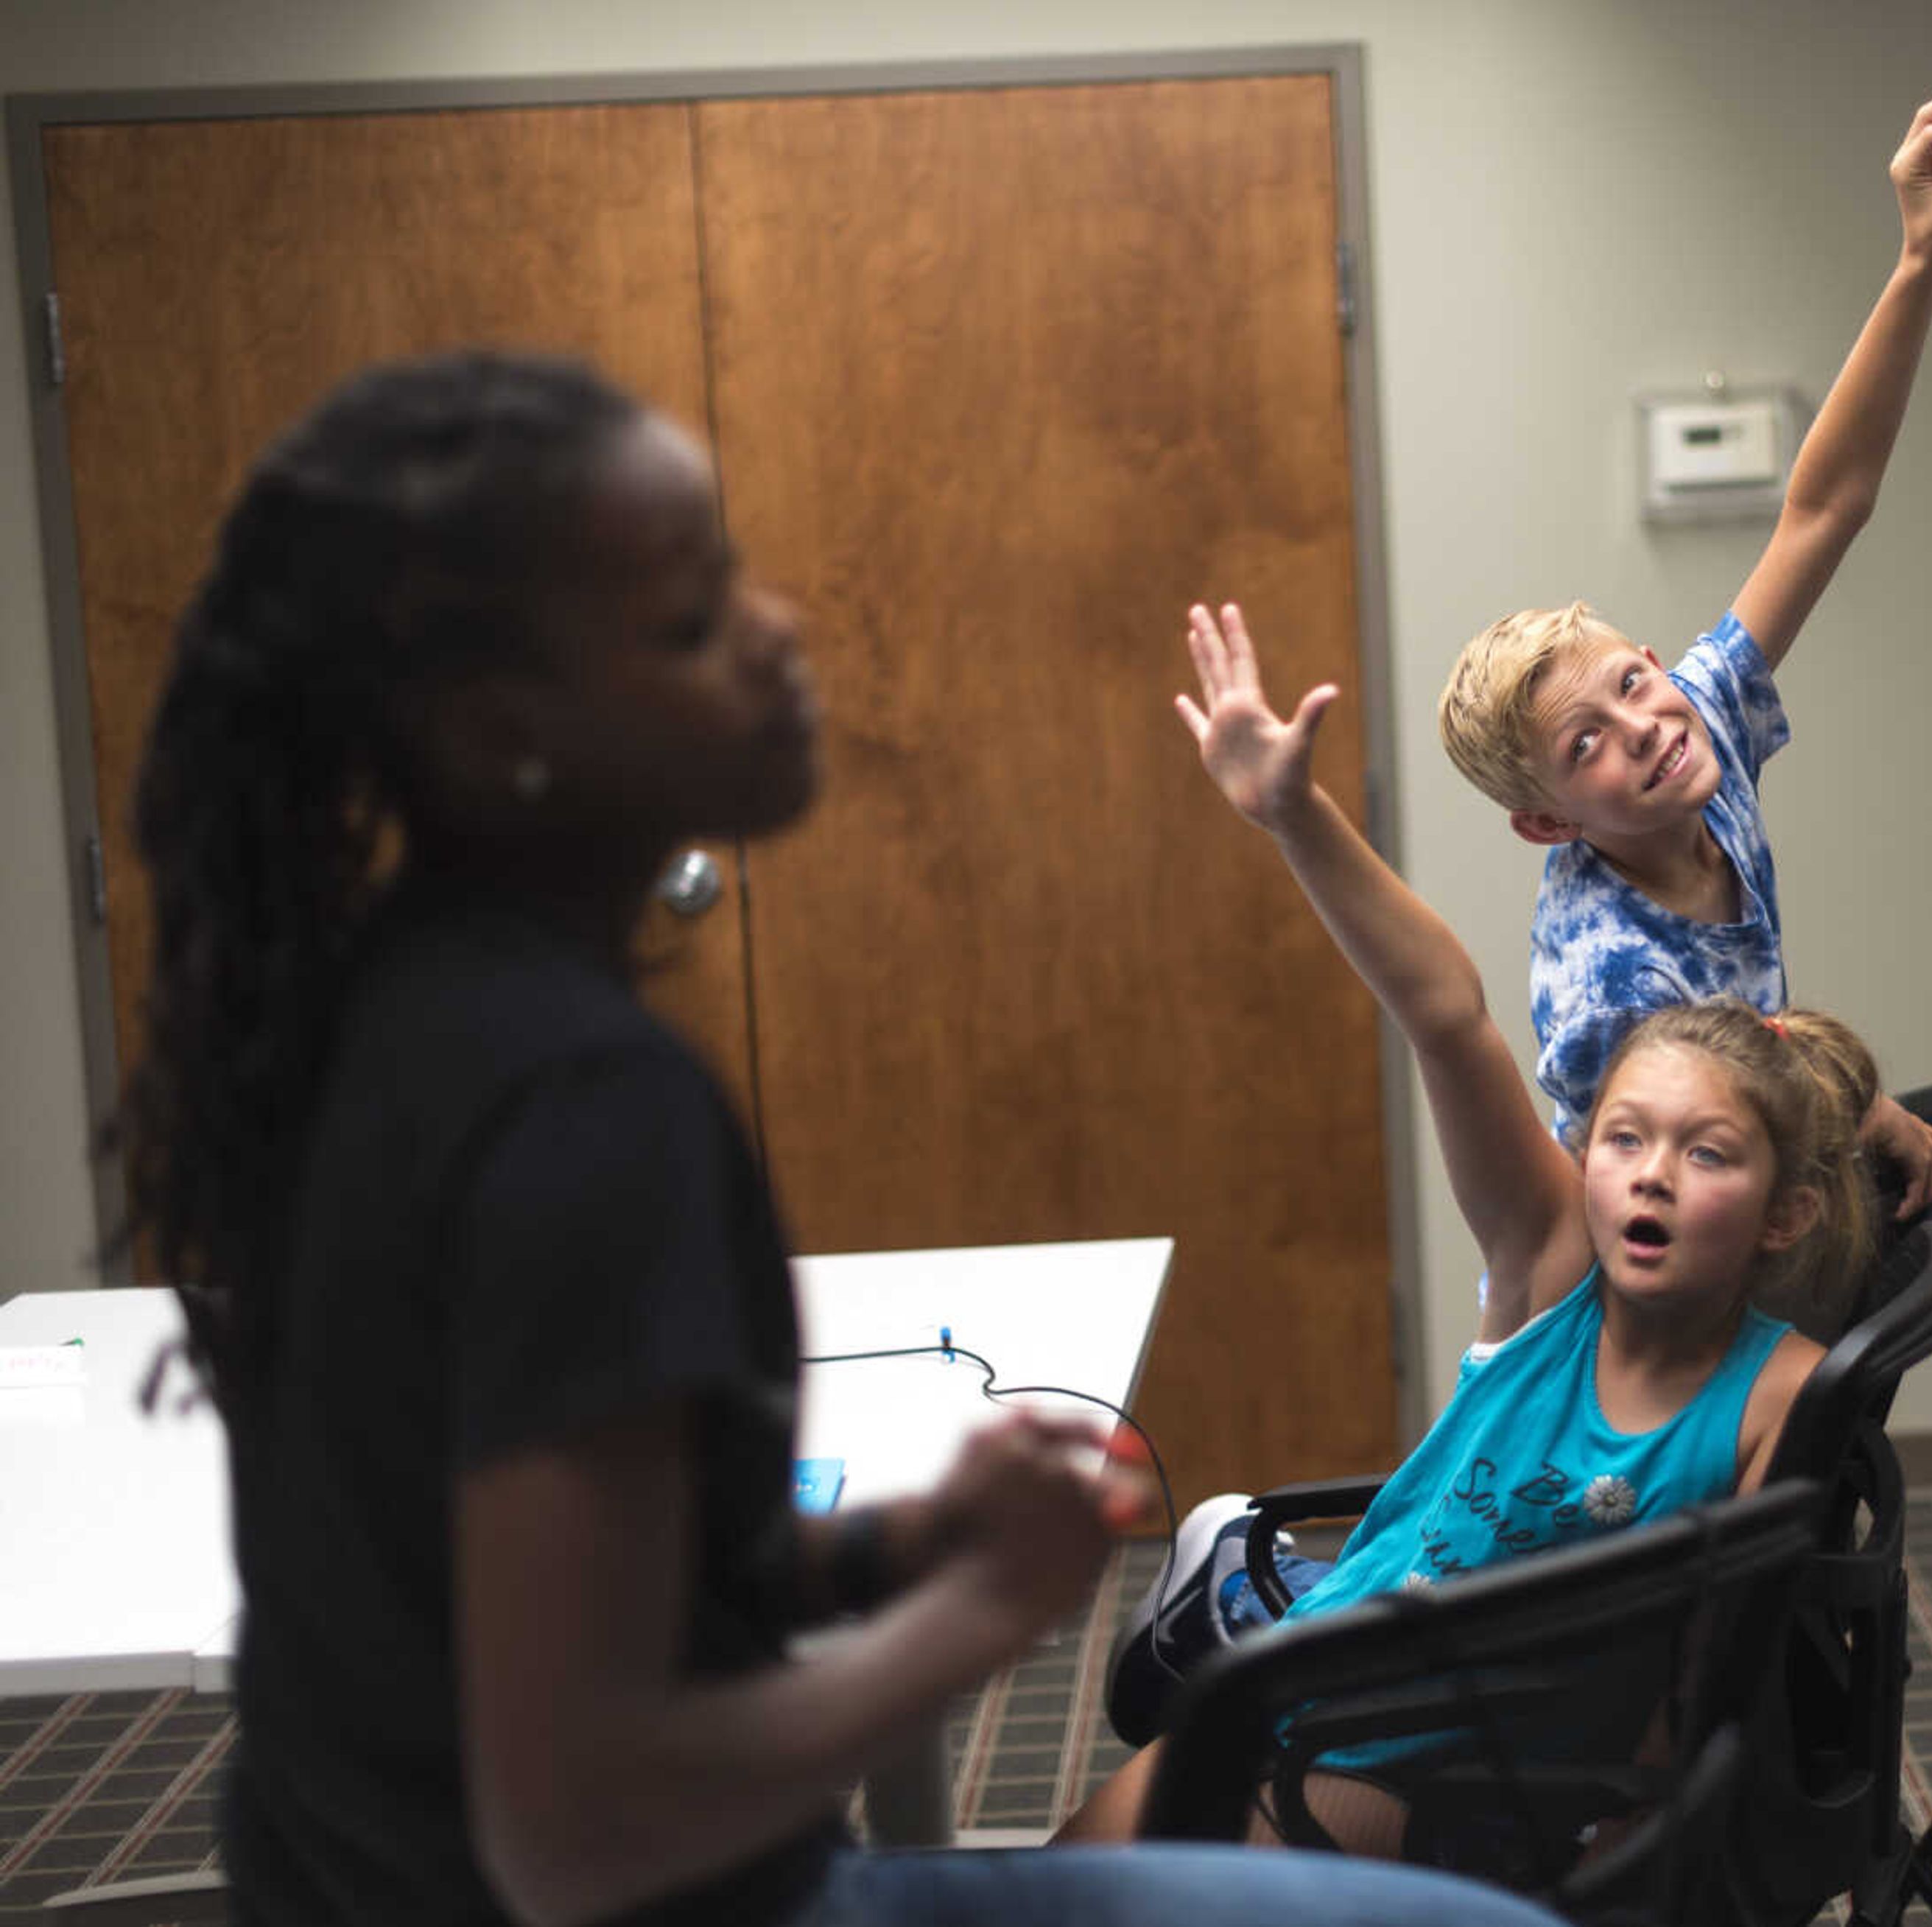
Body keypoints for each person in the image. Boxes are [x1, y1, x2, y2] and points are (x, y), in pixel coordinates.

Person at [114, 351, 1570, 1927]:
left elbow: (568, 1608)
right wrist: (977, 1615)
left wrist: (901, 1545)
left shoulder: (384, 1015)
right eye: (686, 623)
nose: (778, 632)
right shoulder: (579, 1111)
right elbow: (577, 1836)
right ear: (496, 728)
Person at [1061, 600, 1880, 1847]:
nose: (1650, 1177)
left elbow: (1716, 1687)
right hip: (1305, 1686)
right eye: (1622, 1140)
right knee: (1063, 1876)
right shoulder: (1553, 1275)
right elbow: (1447, 1012)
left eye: (1705, 1154)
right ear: (1581, 1155)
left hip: (1433, 1772)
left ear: (1784, 1216)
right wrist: (1294, 813)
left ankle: (1233, 1593)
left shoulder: (1784, 1394)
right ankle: (1242, 1597)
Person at [1433, 81, 1932, 1217]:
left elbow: (1825, 505)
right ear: (1550, 821)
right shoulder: (1609, 973)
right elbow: (1697, 1135)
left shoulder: (1697, 726)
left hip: (1766, 1180)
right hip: (1657, 1259)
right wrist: (1862, 1105)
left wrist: (1920, 259)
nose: (1647, 726)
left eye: (1633, 684)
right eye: (1588, 740)